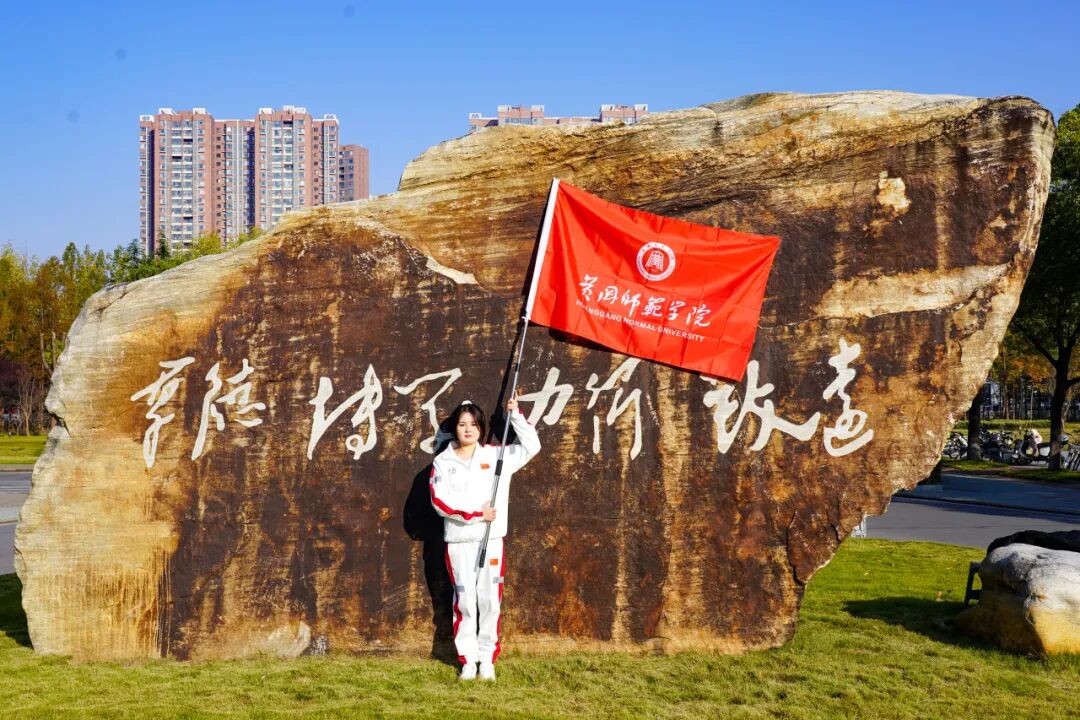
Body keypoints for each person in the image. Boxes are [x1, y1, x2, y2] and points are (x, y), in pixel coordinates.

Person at [428, 395, 540, 681]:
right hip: (460, 542)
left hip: (491, 542)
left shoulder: (496, 456)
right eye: (462, 424)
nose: (468, 429)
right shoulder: (443, 462)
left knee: (490, 601)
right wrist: (477, 515)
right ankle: (468, 660)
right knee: (465, 601)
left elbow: (532, 446)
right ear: (455, 428)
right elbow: (439, 502)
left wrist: (516, 415)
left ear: (480, 428)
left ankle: (487, 660)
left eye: (474, 424)